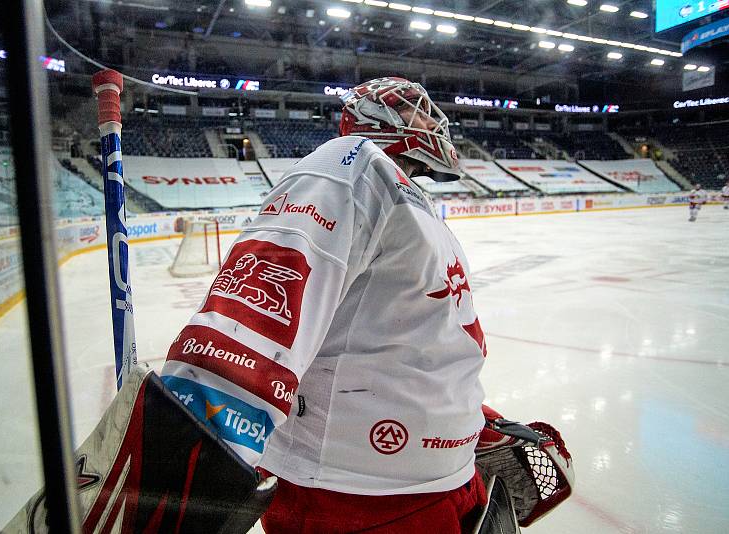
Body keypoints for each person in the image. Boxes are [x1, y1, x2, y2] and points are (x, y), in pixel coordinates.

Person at [159, 77, 570, 532]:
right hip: (360, 499)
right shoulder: (351, 163)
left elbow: (410, 337)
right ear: (376, 120)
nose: (432, 121)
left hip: (434, 486)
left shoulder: (408, 200)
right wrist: (176, 455)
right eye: (414, 110)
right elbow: (259, 316)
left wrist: (470, 420)